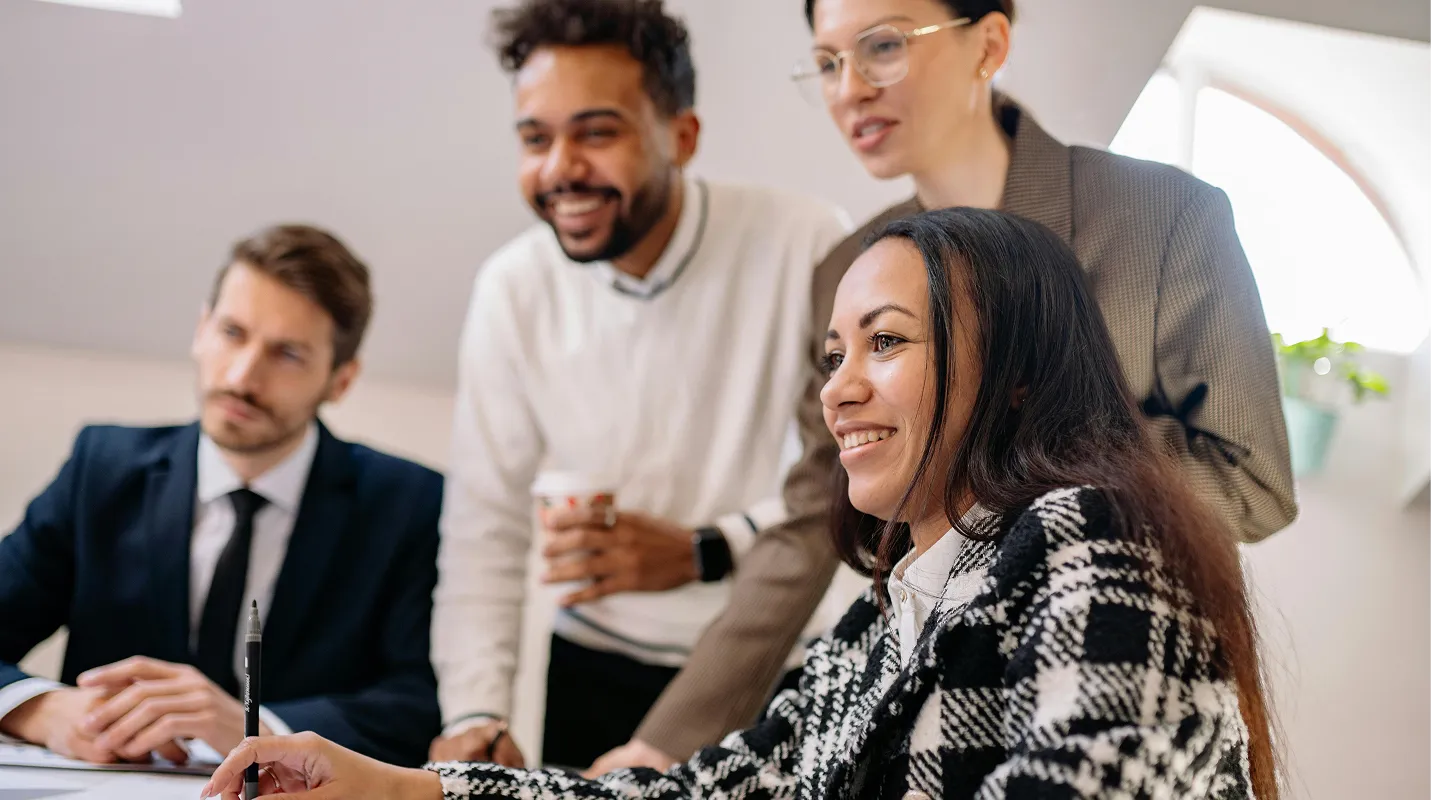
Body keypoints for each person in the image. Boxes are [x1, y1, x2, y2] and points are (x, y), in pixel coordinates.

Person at [200, 206, 1280, 800]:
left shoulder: (1095, 536)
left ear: (1016, 372)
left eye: (886, 341)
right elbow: (691, 797)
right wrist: (392, 789)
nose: (838, 386)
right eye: (829, 353)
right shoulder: (879, 617)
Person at [588, 0, 1299, 773]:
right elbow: (806, 525)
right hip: (926, 683)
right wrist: (661, 743)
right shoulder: (850, 272)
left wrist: (1011, 452)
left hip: (1106, 660)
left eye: (881, 46)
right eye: (826, 63)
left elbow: (1252, 480)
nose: (847, 88)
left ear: (988, 44)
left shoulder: (1163, 218)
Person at [426, 0, 851, 771]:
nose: (559, 169)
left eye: (596, 132)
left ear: (681, 137)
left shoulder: (806, 241)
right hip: (592, 670)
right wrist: (476, 711)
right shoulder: (511, 288)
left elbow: (848, 477)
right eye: (534, 137)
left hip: (772, 660)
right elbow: (483, 526)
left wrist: (705, 550)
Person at [0, 224, 444, 768]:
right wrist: (43, 711)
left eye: (286, 354)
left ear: (341, 380)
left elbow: (419, 705)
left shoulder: (409, 503)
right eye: (232, 332)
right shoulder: (102, 469)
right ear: (200, 328)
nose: (241, 376)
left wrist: (254, 728)